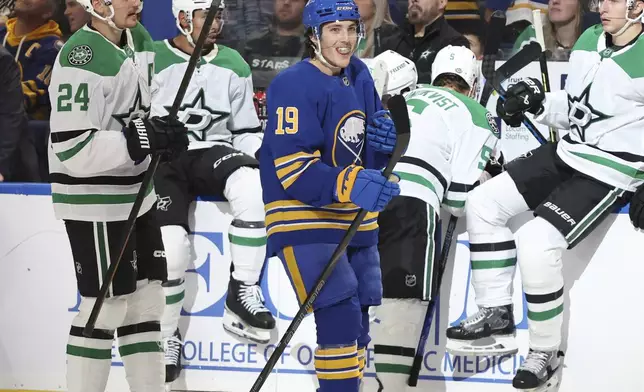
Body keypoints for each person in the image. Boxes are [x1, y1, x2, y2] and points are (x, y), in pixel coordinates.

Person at [446, 0, 644, 389]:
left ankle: (545, 353)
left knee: (535, 241)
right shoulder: (590, 37)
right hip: (568, 151)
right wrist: (537, 100)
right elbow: (575, 108)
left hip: (611, 168)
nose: (603, 6)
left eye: (614, 0)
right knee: (482, 202)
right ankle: (495, 314)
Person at [259, 0, 401, 390]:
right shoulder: (292, 85)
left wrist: (385, 147)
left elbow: (363, 151)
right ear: (313, 36)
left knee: (361, 310)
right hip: (303, 215)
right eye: (335, 30)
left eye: (351, 29)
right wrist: (353, 184)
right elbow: (293, 170)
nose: (346, 39)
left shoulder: (360, 74)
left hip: (354, 218)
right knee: (338, 307)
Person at [48, 0, 189, 390]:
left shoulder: (139, 38)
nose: (137, 3)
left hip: (136, 193)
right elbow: (72, 146)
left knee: (147, 303)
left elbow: (143, 106)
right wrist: (136, 140)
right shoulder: (82, 56)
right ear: (97, 4)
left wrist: (160, 132)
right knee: (104, 308)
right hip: (94, 200)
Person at [150, 0, 277, 383]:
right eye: (209, 15)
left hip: (213, 153)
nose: (217, 23)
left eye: (221, 15)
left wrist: (261, 158)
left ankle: (242, 292)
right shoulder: (150, 57)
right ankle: (165, 335)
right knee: (171, 251)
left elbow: (245, 132)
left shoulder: (234, 62)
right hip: (165, 160)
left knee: (253, 189)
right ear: (184, 17)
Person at [369, 47, 501, 390]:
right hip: (411, 205)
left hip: (365, 197)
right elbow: (458, 200)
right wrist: (487, 177)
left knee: (361, 303)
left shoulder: (408, 96)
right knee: (401, 307)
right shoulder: (475, 112)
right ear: (472, 85)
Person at [376, 0, 470, 83]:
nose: (414, 0)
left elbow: (451, 89)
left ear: (442, 2)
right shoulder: (391, 41)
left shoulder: (455, 44)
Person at [0, 0, 63, 120]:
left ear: (48, 12)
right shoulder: (2, 32)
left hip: (23, 131)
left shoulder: (52, 49)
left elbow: (23, 98)